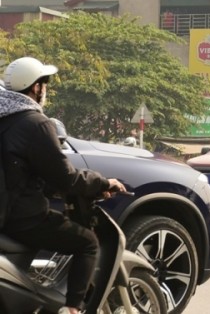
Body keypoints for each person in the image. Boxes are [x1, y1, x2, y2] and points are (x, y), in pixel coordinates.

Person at [0, 56, 125, 314]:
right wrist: (103, 182)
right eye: (44, 84)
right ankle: (72, 309)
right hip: (21, 218)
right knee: (87, 242)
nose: (45, 90)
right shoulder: (35, 123)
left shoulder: (4, 116)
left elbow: (24, 171)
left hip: (7, 212)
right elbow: (66, 177)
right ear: (36, 87)